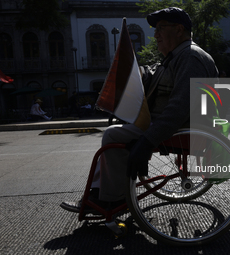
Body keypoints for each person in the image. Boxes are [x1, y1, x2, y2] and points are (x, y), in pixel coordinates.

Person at [61, 7, 218, 213]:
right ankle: (102, 193)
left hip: (182, 129)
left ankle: (111, 199)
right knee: (118, 133)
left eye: (161, 28)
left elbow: (180, 107)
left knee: (112, 135)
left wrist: (148, 140)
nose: (156, 34)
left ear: (179, 30)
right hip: (176, 126)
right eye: (155, 29)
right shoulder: (177, 57)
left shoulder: (190, 57)